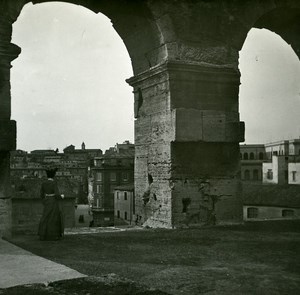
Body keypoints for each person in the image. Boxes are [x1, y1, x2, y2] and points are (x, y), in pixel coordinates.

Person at [38, 168, 64, 241]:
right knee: (54, 218)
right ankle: (53, 235)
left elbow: (41, 194)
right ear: (53, 176)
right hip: (53, 201)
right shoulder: (53, 183)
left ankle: (43, 235)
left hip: (47, 201)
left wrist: (44, 201)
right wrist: (62, 196)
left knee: (45, 217)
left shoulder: (44, 183)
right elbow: (57, 195)